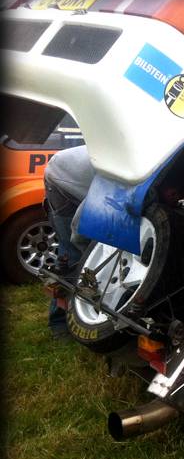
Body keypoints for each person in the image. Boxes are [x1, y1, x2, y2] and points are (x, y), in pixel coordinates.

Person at [43, 144, 95, 337]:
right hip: (61, 183)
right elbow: (78, 226)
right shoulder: (120, 179)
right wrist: (85, 252)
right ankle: (60, 325)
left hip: (73, 174)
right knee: (70, 256)